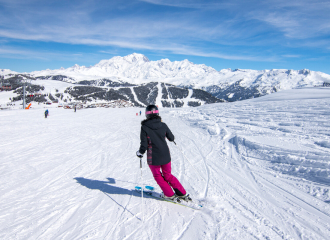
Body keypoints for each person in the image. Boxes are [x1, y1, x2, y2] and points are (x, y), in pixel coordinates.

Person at [136, 105, 189, 201]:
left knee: (157, 175)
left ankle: (169, 194)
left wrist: (140, 152)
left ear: (146, 114)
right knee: (168, 174)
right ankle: (182, 193)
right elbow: (171, 138)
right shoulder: (163, 125)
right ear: (157, 113)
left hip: (153, 157)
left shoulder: (144, 127)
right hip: (165, 155)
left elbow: (144, 144)